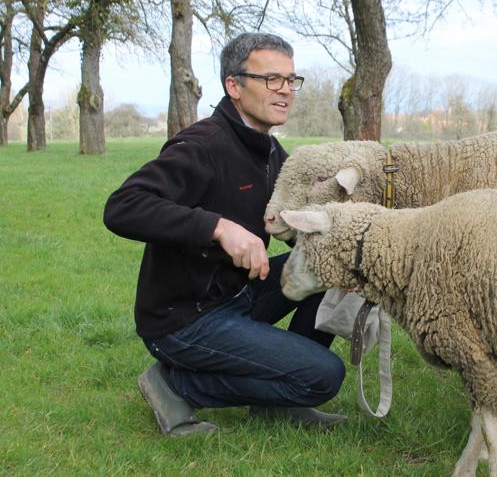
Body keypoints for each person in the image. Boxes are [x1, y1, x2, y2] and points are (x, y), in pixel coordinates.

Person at [103, 32, 346, 436]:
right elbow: (123, 206)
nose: (285, 90)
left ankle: (280, 404)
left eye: (290, 80)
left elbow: (290, 216)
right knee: (323, 376)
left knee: (329, 265)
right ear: (234, 85)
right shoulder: (202, 146)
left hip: (239, 295)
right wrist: (218, 227)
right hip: (184, 320)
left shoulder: (268, 150)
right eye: (272, 79)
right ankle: (175, 384)